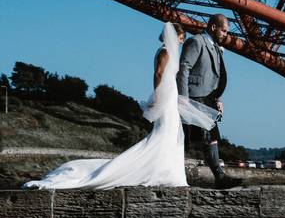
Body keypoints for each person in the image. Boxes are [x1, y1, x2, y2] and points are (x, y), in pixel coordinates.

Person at [24, 23, 219, 189]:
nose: (182, 42)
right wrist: (158, 95)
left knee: (173, 132)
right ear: (175, 36)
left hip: (171, 94)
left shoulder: (169, 52)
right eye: (181, 38)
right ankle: (159, 172)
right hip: (166, 95)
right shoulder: (166, 51)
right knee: (165, 132)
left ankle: (168, 173)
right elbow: (159, 74)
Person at [177, 14, 242, 189]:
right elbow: (184, 68)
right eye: (224, 30)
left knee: (211, 137)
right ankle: (216, 177)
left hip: (208, 98)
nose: (225, 34)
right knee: (187, 138)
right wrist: (183, 99)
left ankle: (219, 177)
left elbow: (214, 76)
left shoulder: (214, 46)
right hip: (195, 97)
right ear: (213, 27)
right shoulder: (197, 41)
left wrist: (217, 98)